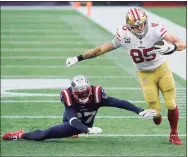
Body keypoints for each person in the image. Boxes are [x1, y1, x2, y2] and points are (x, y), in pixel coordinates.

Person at [65, 8, 186, 145]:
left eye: (142, 24)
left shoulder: (155, 29)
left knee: (171, 103)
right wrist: (78, 58)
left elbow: (182, 43)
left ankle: (174, 133)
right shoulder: (124, 35)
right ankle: (159, 117)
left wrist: (173, 47)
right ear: (129, 26)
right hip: (144, 75)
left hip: (162, 69)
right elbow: (100, 50)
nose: (140, 28)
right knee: (156, 114)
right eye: (136, 26)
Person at [2, 75, 157, 141]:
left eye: (85, 91)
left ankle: (79, 131)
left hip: (84, 123)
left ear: (89, 89)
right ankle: (20, 135)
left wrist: (140, 110)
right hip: (74, 123)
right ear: (73, 92)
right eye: (79, 92)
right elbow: (72, 119)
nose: (83, 95)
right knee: (45, 134)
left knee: (78, 120)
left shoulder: (97, 94)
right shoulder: (68, 96)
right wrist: (86, 130)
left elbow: (119, 103)